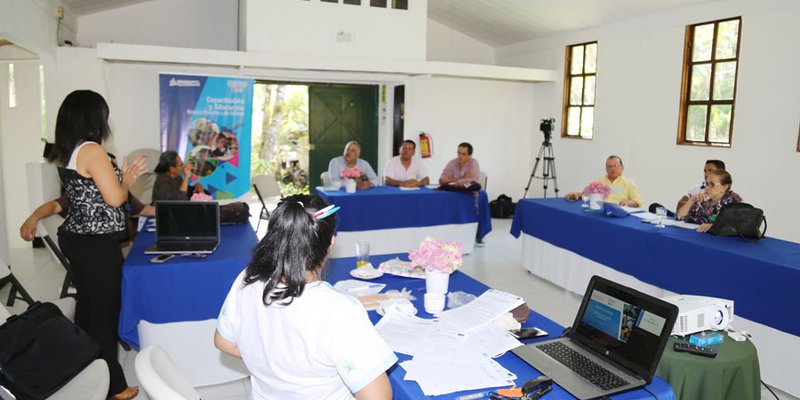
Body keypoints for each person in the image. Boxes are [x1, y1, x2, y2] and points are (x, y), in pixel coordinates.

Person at [214, 194, 396, 400]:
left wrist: (273, 364)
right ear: (330, 244)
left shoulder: (247, 280)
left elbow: (224, 342)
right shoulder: (338, 311)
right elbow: (378, 397)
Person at [44, 90, 144, 400]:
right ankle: (114, 387)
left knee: (87, 310)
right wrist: (126, 180)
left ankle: (86, 372)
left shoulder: (68, 151)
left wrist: (121, 178)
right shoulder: (92, 150)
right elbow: (115, 198)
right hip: (96, 244)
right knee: (104, 313)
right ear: (94, 118)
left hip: (76, 239)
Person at [20, 192, 155, 258]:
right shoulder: (82, 195)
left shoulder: (120, 192)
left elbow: (142, 209)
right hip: (115, 247)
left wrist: (170, 210)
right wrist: (34, 217)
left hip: (130, 240)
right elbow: (53, 206)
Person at [649, 159, 725, 216]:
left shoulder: (726, 195)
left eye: (710, 170)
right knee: (654, 207)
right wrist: (691, 202)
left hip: (705, 224)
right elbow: (680, 207)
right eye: (705, 171)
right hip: (685, 219)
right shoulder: (697, 188)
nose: (706, 174)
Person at [676, 169, 742, 233]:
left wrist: (715, 227)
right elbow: (680, 218)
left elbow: (738, 227)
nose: (707, 188)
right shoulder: (704, 200)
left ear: (724, 187)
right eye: (707, 184)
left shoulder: (734, 202)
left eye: (712, 184)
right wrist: (691, 200)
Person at [565, 155, 643, 207]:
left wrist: (628, 203)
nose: (612, 169)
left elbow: (638, 201)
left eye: (615, 166)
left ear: (622, 168)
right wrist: (576, 195)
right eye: (609, 166)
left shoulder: (629, 183)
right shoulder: (599, 182)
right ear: (606, 169)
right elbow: (586, 193)